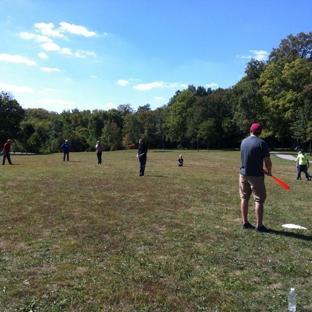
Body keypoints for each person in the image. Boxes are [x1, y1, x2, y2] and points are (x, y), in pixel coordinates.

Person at [239, 123, 272, 232]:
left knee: (244, 198)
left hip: (243, 173)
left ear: (250, 130)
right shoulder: (262, 143)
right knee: (259, 199)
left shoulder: (243, 141)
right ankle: (259, 226)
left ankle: (245, 222)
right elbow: (267, 161)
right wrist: (269, 171)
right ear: (260, 132)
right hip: (256, 175)